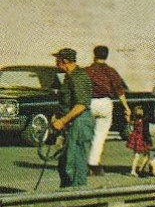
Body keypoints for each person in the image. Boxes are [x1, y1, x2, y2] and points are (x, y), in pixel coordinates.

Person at [50, 47, 96, 187]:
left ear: (64, 61)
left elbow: (81, 104)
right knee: (65, 162)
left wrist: (63, 120)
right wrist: (57, 117)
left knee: (75, 162)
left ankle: (77, 196)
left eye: (57, 60)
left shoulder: (79, 77)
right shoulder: (69, 77)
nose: (56, 63)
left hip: (80, 123)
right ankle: (66, 193)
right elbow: (68, 101)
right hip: (72, 122)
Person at [84, 44, 131, 176]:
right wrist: (126, 107)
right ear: (107, 56)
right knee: (100, 135)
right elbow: (120, 91)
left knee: (86, 133)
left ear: (94, 55)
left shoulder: (87, 71)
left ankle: (82, 161)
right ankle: (93, 164)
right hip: (105, 103)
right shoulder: (111, 71)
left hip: (89, 103)